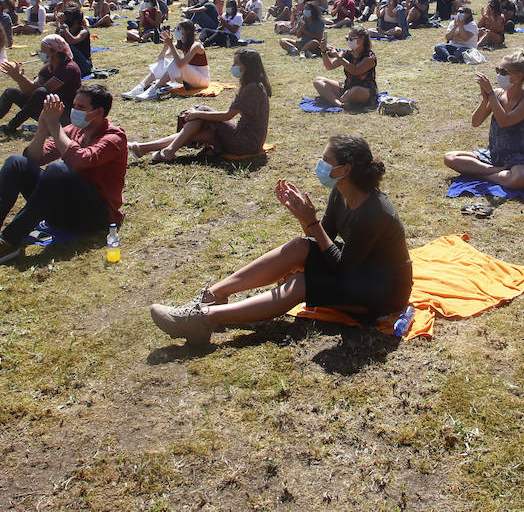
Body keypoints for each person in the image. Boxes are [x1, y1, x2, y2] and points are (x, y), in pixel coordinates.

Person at [149, 134, 412, 345]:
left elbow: (343, 268)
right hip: (359, 268)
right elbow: (325, 239)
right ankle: (213, 296)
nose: (320, 165)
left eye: (325, 160)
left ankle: (203, 319)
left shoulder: (374, 212)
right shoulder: (341, 192)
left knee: (300, 282)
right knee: (300, 246)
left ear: (345, 169)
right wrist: (303, 217)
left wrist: (310, 221)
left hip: (382, 291)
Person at [0, 84, 128, 270]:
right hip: (65, 211)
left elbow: (81, 160)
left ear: (98, 112)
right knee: (16, 163)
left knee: (57, 170)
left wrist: (55, 125)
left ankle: (8, 241)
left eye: (81, 107)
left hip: (96, 216)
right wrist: (43, 128)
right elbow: (34, 158)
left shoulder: (114, 138)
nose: (74, 110)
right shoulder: (73, 131)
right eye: (74, 105)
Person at [130, 48, 270, 163]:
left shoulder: (251, 89)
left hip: (245, 143)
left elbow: (227, 115)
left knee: (201, 111)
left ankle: (168, 151)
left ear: (247, 67)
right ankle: (143, 148)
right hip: (248, 141)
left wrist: (197, 114)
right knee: (190, 134)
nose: (233, 67)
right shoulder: (255, 85)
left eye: (236, 64)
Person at [442, 51, 524, 190]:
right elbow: (475, 122)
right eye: (498, 70)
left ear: (519, 76)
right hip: (495, 155)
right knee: (450, 158)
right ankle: (498, 173)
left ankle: (480, 173)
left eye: (503, 71)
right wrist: (485, 100)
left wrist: (490, 94)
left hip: (521, 159)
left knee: (519, 178)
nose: (499, 75)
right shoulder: (497, 94)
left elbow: (505, 121)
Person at [0, 34, 82, 138]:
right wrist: (18, 78)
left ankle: (10, 127)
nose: (40, 53)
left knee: (41, 92)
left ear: (54, 51)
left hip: (64, 115)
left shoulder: (69, 69)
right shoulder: (47, 67)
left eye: (43, 50)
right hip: (46, 109)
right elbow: (30, 91)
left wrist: (19, 77)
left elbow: (39, 92)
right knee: (10, 92)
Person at [123, 21, 209, 100]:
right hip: (190, 77)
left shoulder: (196, 45)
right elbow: (161, 59)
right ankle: (140, 87)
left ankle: (154, 90)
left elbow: (180, 64)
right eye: (176, 28)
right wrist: (166, 46)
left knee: (176, 62)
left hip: (201, 80)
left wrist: (171, 45)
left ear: (187, 31)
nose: (176, 31)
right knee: (165, 62)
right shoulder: (181, 43)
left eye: (179, 29)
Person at [313, 27, 378, 109]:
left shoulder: (369, 57)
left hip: (364, 89)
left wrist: (338, 57)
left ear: (362, 39)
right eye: (347, 38)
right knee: (318, 81)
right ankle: (339, 104)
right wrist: (323, 52)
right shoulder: (346, 53)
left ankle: (332, 99)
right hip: (347, 86)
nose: (349, 41)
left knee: (355, 91)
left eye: (351, 38)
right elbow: (329, 66)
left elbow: (355, 71)